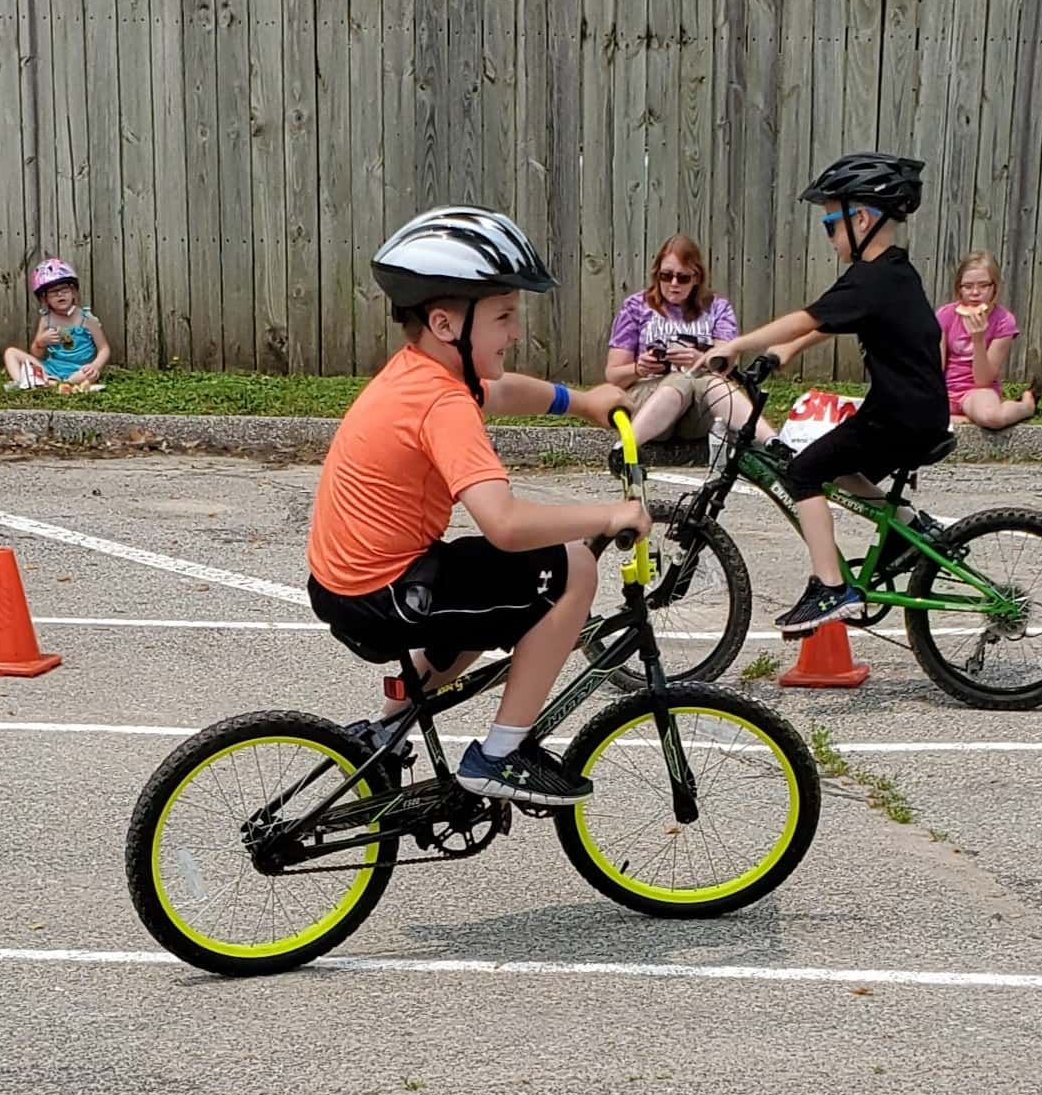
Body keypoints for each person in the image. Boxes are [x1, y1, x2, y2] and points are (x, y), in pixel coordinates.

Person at [307, 205, 640, 805]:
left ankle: (385, 730)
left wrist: (582, 401)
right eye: (505, 316)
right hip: (386, 596)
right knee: (573, 568)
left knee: (490, 589)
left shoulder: (424, 374)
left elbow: (503, 388)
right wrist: (610, 514)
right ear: (444, 323)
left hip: (356, 585)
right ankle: (501, 754)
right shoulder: (442, 404)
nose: (516, 332)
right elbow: (507, 524)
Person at [703, 152, 949, 635]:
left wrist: (736, 343)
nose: (831, 236)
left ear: (861, 218)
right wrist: (781, 353)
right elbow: (832, 319)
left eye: (829, 225)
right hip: (913, 410)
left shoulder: (872, 278)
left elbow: (811, 316)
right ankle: (909, 533)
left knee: (805, 470)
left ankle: (832, 588)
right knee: (841, 468)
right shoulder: (892, 272)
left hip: (899, 416)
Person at [602, 235, 774, 451]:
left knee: (711, 382)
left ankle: (773, 444)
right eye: (666, 276)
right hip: (648, 401)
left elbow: (726, 361)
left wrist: (702, 360)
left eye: (682, 278)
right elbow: (613, 375)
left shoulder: (717, 308)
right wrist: (639, 368)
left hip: (699, 410)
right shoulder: (636, 306)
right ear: (657, 275)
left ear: (696, 278)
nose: (673, 284)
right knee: (680, 379)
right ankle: (624, 450)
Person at [937, 251, 1042, 431]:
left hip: (976, 392)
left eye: (983, 285)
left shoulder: (1004, 321)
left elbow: (983, 381)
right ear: (959, 288)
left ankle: (1026, 406)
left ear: (994, 287)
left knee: (992, 418)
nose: (975, 292)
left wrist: (978, 339)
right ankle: (958, 417)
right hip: (944, 390)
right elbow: (935, 368)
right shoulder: (945, 315)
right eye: (968, 286)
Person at [3, 258, 110, 393]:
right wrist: (41, 342)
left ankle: (59, 384)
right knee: (11, 352)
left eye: (64, 290)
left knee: (88, 375)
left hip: (78, 369)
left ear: (74, 292)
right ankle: (21, 382)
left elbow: (104, 348)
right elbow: (36, 354)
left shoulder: (86, 319)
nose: (60, 294)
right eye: (53, 292)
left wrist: (95, 366)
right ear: (44, 298)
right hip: (51, 367)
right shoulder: (46, 320)